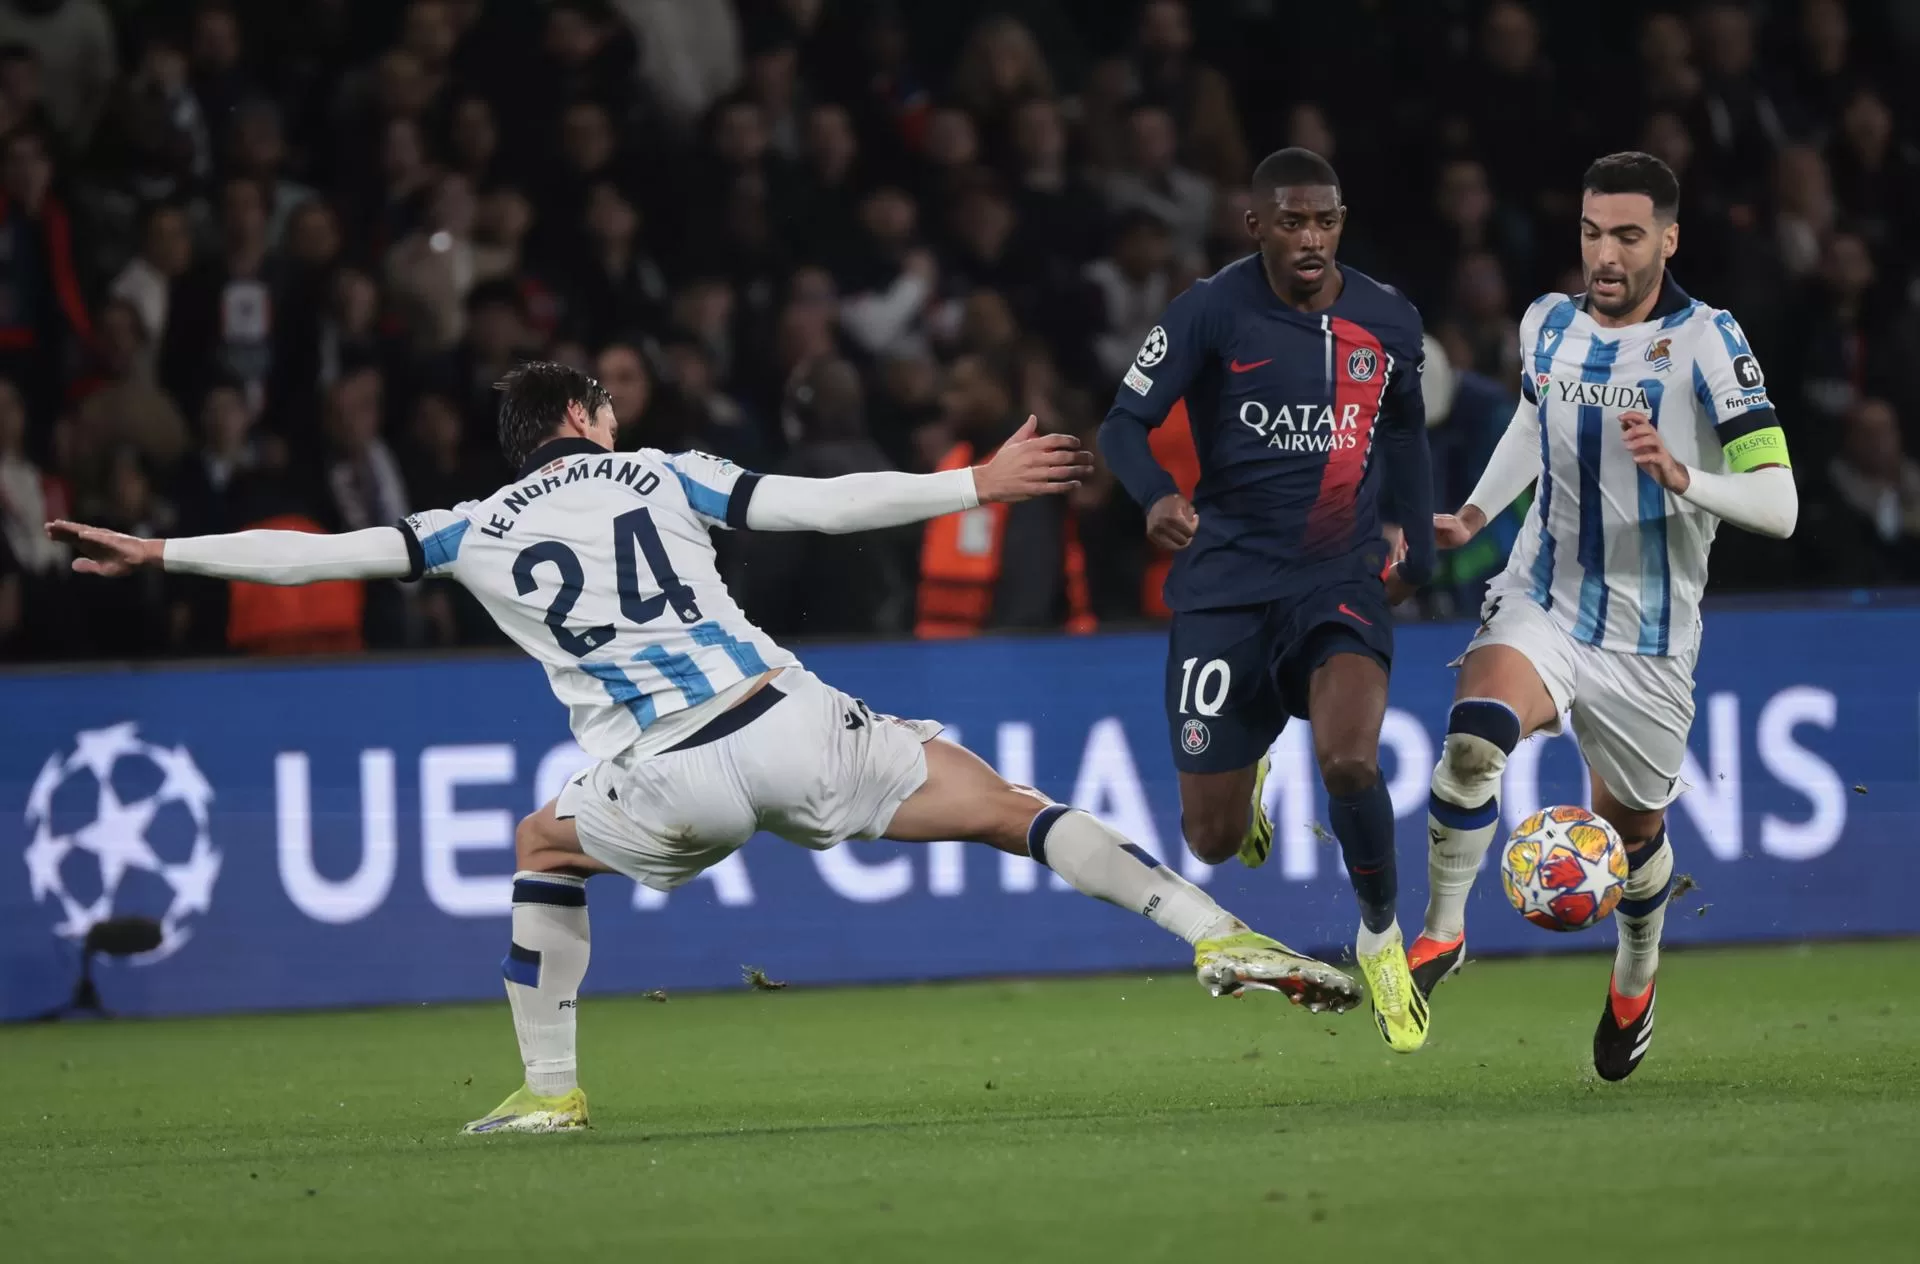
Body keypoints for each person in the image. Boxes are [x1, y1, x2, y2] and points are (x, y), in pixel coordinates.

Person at [47, 360, 1361, 1135]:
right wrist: (972, 483)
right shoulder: (660, 473)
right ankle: (1213, 931)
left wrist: (163, 548)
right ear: (585, 418)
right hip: (784, 727)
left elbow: (312, 556)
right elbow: (821, 509)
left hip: (660, 779)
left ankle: (550, 1095)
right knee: (1004, 807)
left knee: (540, 843)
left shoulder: (469, 526)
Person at [1413, 152, 1798, 1081]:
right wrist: (1474, 512)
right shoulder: (1546, 323)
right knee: (1473, 742)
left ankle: (1636, 975)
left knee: (1633, 838)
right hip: (1541, 596)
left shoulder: (1710, 341)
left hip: (1651, 640)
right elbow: (1531, 422)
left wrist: (1685, 476)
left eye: (1628, 235)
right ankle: (1441, 936)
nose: (1607, 255)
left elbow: (1781, 504)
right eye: (1593, 234)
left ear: (1668, 238)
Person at [1097, 147, 1437, 1052]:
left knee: (1352, 764)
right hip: (1226, 591)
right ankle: (1244, 795)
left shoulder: (1388, 318)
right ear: (1256, 226)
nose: (1311, 238)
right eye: (1291, 221)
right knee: (1208, 841)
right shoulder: (1211, 309)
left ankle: (1380, 938)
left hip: (1338, 581)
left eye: (1324, 220)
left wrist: (1418, 537)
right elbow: (1121, 423)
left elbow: (1403, 429)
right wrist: (1157, 496)